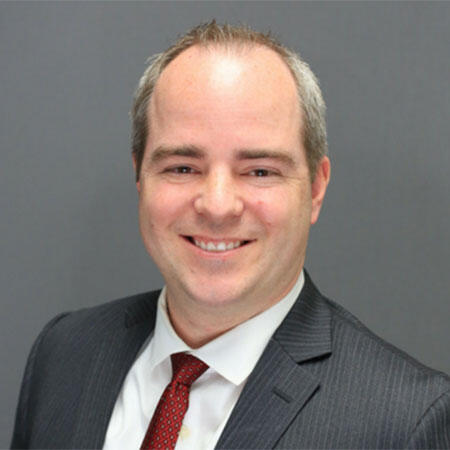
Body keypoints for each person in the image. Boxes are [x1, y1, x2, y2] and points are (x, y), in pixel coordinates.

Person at [11, 21, 449, 449]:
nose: (218, 206)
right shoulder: (63, 353)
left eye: (259, 171)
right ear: (140, 177)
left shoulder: (405, 422)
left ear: (316, 189)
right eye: (183, 168)